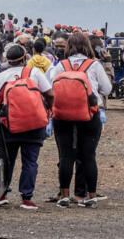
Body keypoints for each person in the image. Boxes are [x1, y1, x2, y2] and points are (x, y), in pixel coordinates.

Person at [46, 32, 111, 207]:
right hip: (89, 114)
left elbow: (50, 88)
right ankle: (89, 196)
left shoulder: (61, 65)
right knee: (88, 156)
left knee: (66, 156)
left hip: (63, 115)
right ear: (87, 46)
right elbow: (107, 88)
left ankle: (65, 195)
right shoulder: (94, 65)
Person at [0, 44, 53, 209]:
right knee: (30, 161)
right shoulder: (34, 72)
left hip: (9, 125)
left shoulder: (0, 77)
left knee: (7, 160)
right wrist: (48, 111)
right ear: (24, 58)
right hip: (34, 123)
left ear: (8, 60)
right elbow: (49, 93)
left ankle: (2, 194)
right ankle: (26, 198)